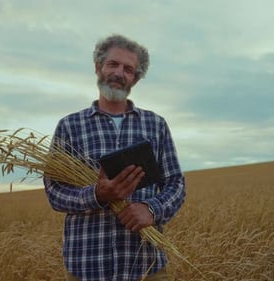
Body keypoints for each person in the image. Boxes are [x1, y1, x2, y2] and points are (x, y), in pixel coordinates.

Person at [43, 34, 186, 281]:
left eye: (129, 69)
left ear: (136, 79)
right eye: (113, 64)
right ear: (98, 67)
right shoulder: (69, 126)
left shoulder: (156, 125)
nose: (119, 73)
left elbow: (176, 184)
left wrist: (152, 209)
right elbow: (54, 192)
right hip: (87, 268)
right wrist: (97, 195)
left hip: (147, 267)